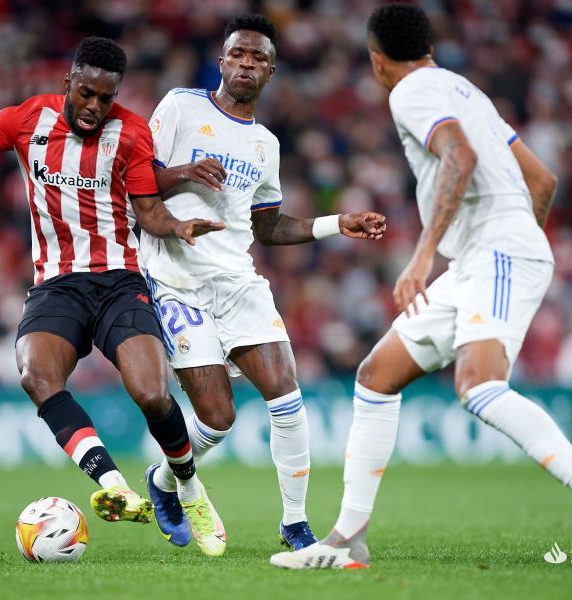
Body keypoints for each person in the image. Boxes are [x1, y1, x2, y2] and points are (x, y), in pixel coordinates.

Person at [270, 3, 572, 570]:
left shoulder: (410, 92)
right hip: (483, 258)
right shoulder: (466, 90)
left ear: (377, 60)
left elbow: (460, 157)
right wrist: (510, 243)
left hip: (492, 255)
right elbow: (541, 179)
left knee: (478, 387)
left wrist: (428, 256)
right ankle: (347, 540)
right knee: (376, 376)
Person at [0, 36, 228, 556]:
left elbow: (148, 211)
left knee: (152, 393)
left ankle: (189, 488)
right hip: (57, 284)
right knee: (36, 374)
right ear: (69, 82)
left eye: (105, 99)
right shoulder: (25, 119)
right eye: (86, 94)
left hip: (119, 281)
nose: (93, 107)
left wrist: (178, 227)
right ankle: (112, 485)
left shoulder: (130, 132)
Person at [138, 14, 386, 552]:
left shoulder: (265, 145)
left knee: (286, 394)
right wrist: (183, 171)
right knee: (218, 419)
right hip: (175, 279)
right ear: (222, 61)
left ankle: (295, 523)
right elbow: (133, 183)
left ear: (271, 71)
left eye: (258, 59)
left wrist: (334, 224)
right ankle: (163, 479)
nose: (247, 64)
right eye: (238, 55)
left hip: (237, 282)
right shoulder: (180, 107)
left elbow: (267, 225)